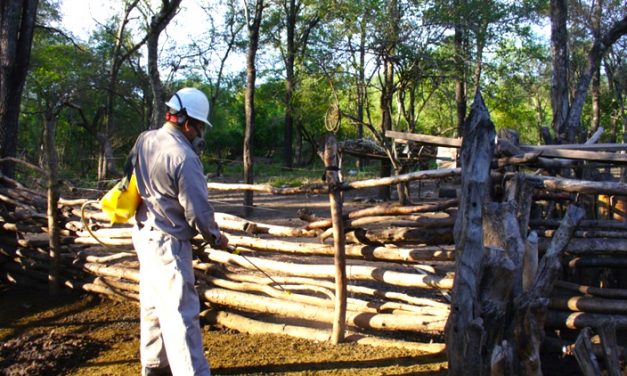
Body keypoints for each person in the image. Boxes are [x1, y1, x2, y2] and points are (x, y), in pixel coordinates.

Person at [131, 87, 229, 376]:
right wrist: (215, 236)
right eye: (199, 127)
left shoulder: (144, 139)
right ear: (187, 123)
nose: (199, 134)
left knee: (151, 304)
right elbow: (197, 211)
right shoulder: (184, 157)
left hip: (142, 234)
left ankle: (154, 366)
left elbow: (131, 180)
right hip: (167, 243)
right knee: (180, 314)